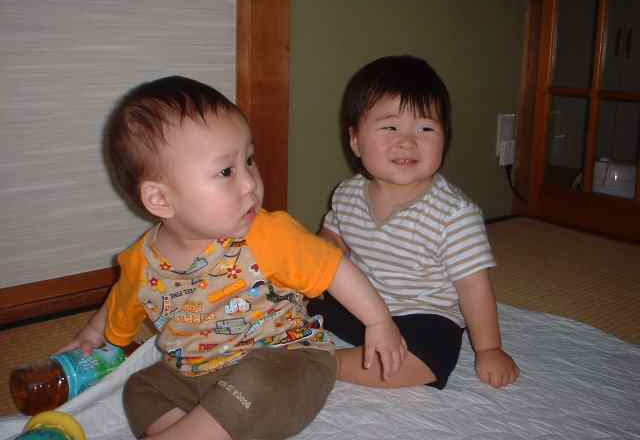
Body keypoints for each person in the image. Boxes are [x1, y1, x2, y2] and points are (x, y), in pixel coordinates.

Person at [61, 76, 407, 440]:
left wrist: (378, 320)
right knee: (140, 387)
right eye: (226, 171)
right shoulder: (141, 263)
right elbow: (121, 301)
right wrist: (92, 335)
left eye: (249, 160)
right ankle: (189, 429)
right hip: (196, 371)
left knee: (255, 380)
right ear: (160, 200)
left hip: (285, 358)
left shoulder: (267, 234)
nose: (250, 183)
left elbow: (335, 268)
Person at [308, 55, 519, 390]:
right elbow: (334, 236)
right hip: (363, 306)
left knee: (429, 355)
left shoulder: (454, 215)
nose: (407, 141)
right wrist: (324, 248)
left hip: (421, 315)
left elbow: (474, 289)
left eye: (425, 128)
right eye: (390, 127)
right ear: (356, 140)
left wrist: (489, 348)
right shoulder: (347, 193)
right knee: (296, 295)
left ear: (445, 139)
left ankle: (324, 363)